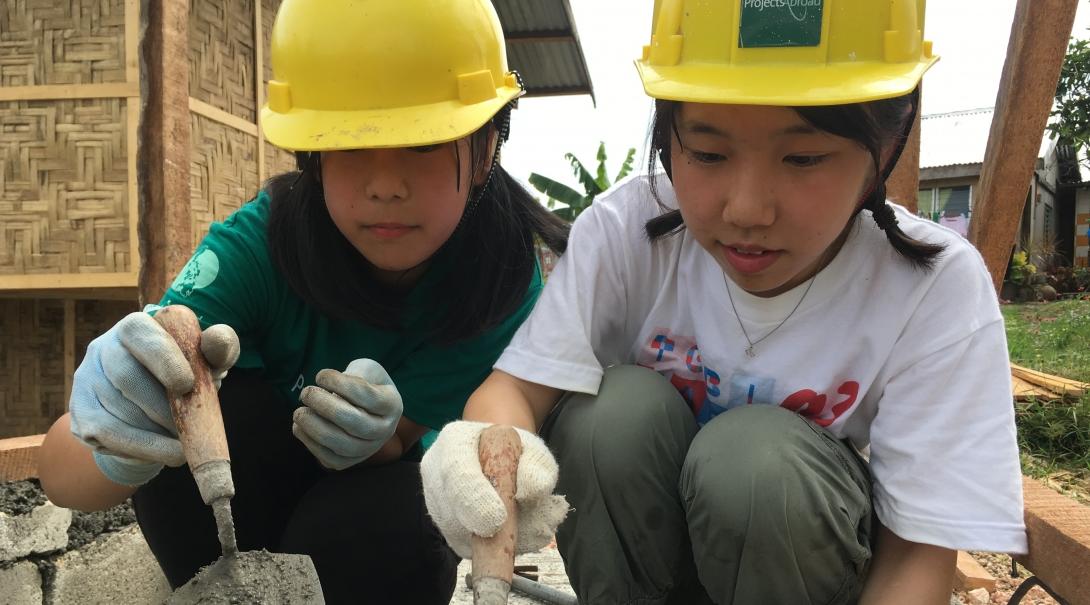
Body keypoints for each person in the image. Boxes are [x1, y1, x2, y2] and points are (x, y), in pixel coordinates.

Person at [421, 1, 1027, 604]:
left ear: (884, 149)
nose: (747, 209)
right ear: (667, 136)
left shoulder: (931, 287)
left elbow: (916, 557)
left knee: (755, 464)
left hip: (798, 573)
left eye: (803, 158)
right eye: (708, 154)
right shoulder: (627, 232)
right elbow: (515, 391)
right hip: (647, 578)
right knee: (610, 415)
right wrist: (478, 451)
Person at [37, 1, 567, 603]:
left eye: (424, 144)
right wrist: (114, 433)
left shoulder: (495, 280)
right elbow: (59, 474)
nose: (384, 185)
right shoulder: (260, 248)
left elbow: (406, 445)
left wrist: (381, 441)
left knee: (409, 510)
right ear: (310, 156)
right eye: (350, 143)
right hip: (226, 522)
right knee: (193, 403)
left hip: (366, 536)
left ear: (487, 149)